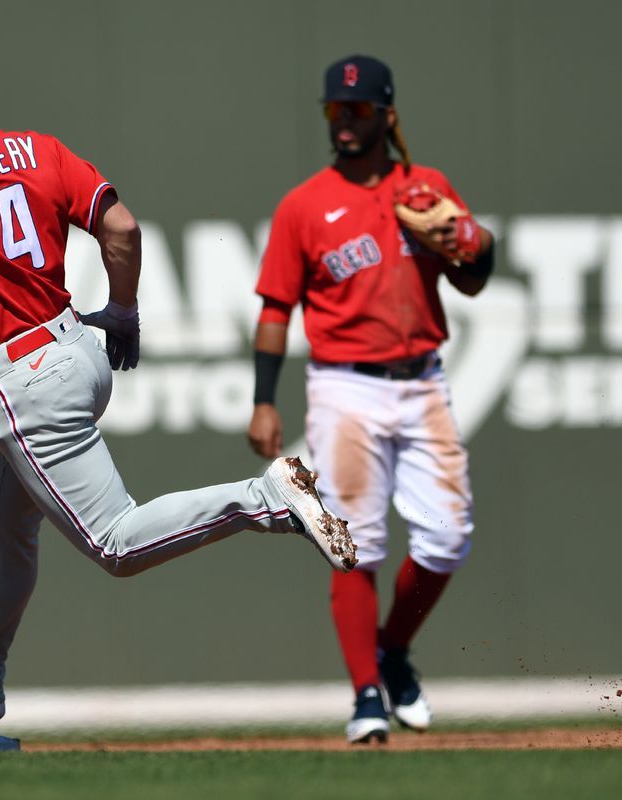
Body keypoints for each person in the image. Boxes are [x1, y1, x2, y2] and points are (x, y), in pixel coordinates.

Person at [0, 53, 358, 731]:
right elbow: (122, 227)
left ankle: (266, 499)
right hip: (77, 344)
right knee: (2, 525)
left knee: (115, 543)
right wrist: (123, 310)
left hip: (22, 379)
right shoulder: (30, 145)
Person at [247, 55, 494, 744]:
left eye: (357, 110)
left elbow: (474, 276)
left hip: (422, 379)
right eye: (335, 110)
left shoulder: (426, 187)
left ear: (387, 116)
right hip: (344, 385)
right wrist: (264, 401)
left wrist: (471, 243)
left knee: (448, 537)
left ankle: (389, 651)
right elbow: (275, 311)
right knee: (353, 543)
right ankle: (365, 697)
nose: (344, 121)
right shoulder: (304, 203)